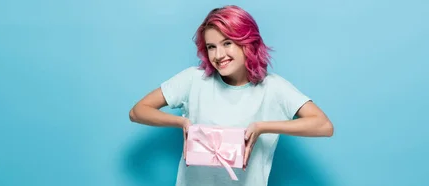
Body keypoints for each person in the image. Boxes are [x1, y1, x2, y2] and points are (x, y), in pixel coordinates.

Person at [128, 5, 334, 186]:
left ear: (247, 42)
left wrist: (263, 127)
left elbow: (323, 126)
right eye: (211, 47)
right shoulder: (194, 80)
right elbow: (138, 111)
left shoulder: (273, 88)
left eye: (227, 43)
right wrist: (181, 123)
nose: (218, 55)